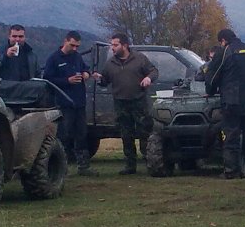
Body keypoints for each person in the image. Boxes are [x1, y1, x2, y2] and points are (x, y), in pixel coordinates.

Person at [92, 33, 159, 175]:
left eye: (115, 45)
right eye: (112, 45)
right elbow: (105, 81)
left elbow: (154, 71)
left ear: (125, 45)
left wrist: (148, 78)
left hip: (139, 102)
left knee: (144, 132)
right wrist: (99, 79)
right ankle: (130, 165)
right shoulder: (110, 63)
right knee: (126, 135)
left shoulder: (139, 59)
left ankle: (150, 162)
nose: (112, 48)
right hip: (121, 103)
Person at [206, 28, 245, 179]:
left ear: (223, 40)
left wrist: (210, 91)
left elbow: (212, 76)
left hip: (232, 101)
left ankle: (231, 171)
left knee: (231, 136)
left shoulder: (224, 52)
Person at [43, 31, 97, 176]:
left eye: (77, 46)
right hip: (63, 103)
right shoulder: (54, 59)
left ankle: (84, 166)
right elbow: (47, 80)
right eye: (72, 45)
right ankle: (60, 168)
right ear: (65, 41)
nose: (74, 48)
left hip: (79, 103)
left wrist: (86, 74)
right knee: (63, 136)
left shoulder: (77, 56)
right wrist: (67, 81)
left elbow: (85, 68)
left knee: (81, 134)